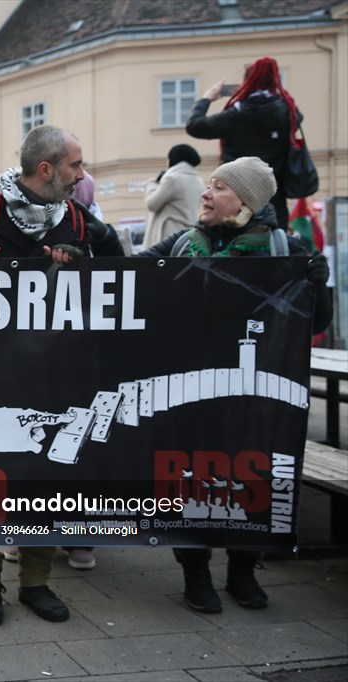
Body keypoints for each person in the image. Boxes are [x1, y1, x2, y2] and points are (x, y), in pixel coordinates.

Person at [0, 124, 124, 626]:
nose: (81, 174)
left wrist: (87, 266)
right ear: (46, 169)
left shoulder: (77, 219)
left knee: (46, 478)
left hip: (53, 375)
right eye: (75, 165)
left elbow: (118, 282)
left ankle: (36, 583)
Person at [139, 156, 331, 613]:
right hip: (192, 392)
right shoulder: (183, 244)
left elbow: (315, 322)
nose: (206, 194)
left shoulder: (284, 248)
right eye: (209, 186)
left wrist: (319, 286)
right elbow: (128, 273)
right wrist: (88, 241)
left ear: (247, 201)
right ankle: (196, 573)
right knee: (188, 477)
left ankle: (243, 571)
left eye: (219, 188)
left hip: (255, 396)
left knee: (251, 475)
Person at [185, 57, 303, 231]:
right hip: (273, 195)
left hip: (235, 196)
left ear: (247, 82)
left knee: (232, 240)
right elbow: (297, 117)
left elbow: (194, 126)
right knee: (273, 241)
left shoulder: (238, 114)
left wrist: (206, 98)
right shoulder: (289, 112)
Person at [144, 144, 206, 248]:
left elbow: (151, 204)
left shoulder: (172, 179)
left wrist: (152, 184)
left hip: (168, 235)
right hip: (187, 235)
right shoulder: (199, 181)